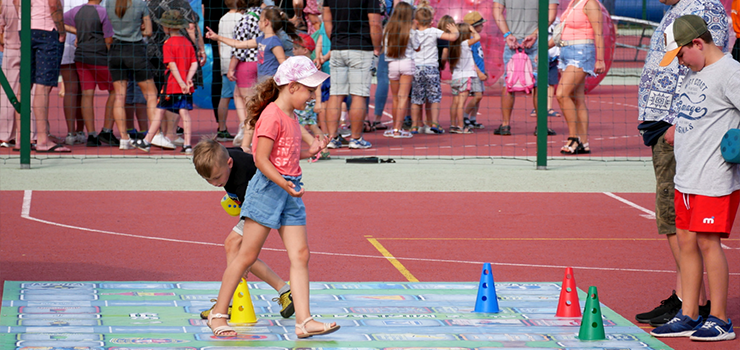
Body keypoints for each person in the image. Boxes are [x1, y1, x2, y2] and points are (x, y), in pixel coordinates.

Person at [204, 56, 338, 338]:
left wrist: (311, 152)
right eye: (309, 90)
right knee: (245, 256)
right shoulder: (271, 115)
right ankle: (218, 314)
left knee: (301, 254)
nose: (312, 96)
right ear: (291, 86)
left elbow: (286, 155)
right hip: (268, 190)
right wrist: (284, 184)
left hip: (289, 190)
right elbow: (261, 159)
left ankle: (304, 321)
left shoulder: (291, 117)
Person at [634, 0, 727, 328]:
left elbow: (710, 71)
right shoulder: (678, 10)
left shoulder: (704, 9)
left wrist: (683, 121)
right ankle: (686, 300)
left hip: (681, 129)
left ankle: (699, 305)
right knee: (674, 222)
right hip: (667, 123)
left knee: (690, 229)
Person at [649, 14, 740, 342]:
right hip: (686, 175)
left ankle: (719, 319)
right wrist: (678, 129)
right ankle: (689, 313)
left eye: (682, 55)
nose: (681, 63)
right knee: (686, 241)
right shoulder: (695, 70)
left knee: (707, 242)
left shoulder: (730, 73)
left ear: (698, 43)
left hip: (713, 176)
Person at [192, 138, 295, 320]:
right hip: (257, 199)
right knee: (238, 253)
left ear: (229, 163)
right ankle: (285, 291)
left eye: (216, 178)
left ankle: (228, 304)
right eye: (207, 179)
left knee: (233, 245)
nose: (214, 183)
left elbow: (251, 209)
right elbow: (240, 149)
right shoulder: (223, 157)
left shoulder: (241, 182)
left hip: (266, 201)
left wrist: (244, 254)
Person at [492, 0, 558, 136]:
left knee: (508, 82)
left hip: (513, 40)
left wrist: (507, 35)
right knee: (539, 84)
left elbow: (496, 11)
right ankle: (541, 126)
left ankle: (505, 124)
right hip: (537, 40)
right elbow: (551, 15)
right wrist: (535, 33)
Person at [323, 0, 383, 149]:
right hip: (361, 47)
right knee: (358, 94)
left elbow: (327, 20)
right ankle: (356, 138)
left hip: (338, 46)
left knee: (336, 94)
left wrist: (336, 41)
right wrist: (377, 49)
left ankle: (332, 137)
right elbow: (375, 23)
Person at [137, 10, 197, 154]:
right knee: (185, 114)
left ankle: (147, 141)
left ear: (168, 27)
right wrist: (188, 79)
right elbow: (194, 63)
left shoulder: (168, 43)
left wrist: (181, 82)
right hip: (185, 87)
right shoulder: (187, 42)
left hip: (171, 86)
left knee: (159, 112)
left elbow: (172, 65)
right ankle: (187, 145)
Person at [63, 0, 119, 147]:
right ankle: (107, 130)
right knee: (116, 90)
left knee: (87, 94)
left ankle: (92, 135)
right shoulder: (102, 12)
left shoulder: (76, 10)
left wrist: (78, 32)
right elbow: (108, 39)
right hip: (99, 56)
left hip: (81, 56)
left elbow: (60, 21)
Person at [552, 0, 604, 153]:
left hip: (581, 52)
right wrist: (542, 47)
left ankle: (573, 137)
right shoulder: (572, 3)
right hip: (565, 51)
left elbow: (599, 32)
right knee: (577, 98)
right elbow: (562, 33)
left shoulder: (590, 3)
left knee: (562, 94)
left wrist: (600, 59)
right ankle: (584, 142)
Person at [106, 0, 159, 150]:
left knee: (119, 96)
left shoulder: (108, 3)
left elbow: (107, 29)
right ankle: (154, 135)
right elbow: (149, 32)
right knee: (151, 94)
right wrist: (138, 29)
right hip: (135, 49)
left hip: (115, 50)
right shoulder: (140, 4)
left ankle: (124, 139)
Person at [25, 0, 71, 152]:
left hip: (26, 28)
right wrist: (62, 30)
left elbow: (16, 2)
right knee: (43, 86)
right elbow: (53, 4)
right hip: (46, 30)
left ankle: (22, 139)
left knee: (25, 83)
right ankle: (43, 139)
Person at [409, 7, 457, 135]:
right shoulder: (434, 31)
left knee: (416, 98)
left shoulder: (413, 33)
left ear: (416, 21)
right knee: (434, 97)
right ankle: (434, 123)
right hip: (431, 68)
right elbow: (452, 37)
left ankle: (414, 125)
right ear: (431, 21)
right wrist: (455, 31)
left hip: (417, 68)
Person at [0, 0, 37, 148]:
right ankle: (31, 135)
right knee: (33, 92)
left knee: (7, 93)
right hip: (31, 46)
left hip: (11, 49)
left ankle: (4, 135)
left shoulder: (4, 2)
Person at [381, 1, 417, 139]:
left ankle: (394, 128)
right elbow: (417, 47)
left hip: (392, 64)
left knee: (395, 98)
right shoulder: (410, 30)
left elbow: (385, 47)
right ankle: (398, 129)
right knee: (403, 98)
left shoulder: (388, 29)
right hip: (407, 63)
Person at [214, 0, 244, 141]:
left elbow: (220, 42)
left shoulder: (223, 18)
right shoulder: (241, 18)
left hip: (225, 60)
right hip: (237, 61)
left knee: (225, 96)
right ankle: (243, 128)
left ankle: (222, 128)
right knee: (242, 97)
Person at [60, 0, 86, 146]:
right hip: (85, 44)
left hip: (67, 42)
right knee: (81, 89)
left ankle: (72, 133)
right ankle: (79, 131)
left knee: (72, 89)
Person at [448, 22, 479, 134]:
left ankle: (453, 125)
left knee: (455, 103)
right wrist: (473, 30)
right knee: (461, 103)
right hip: (465, 77)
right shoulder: (465, 43)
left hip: (456, 77)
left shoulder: (453, 45)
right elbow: (477, 37)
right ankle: (461, 126)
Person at [462, 11, 486, 130]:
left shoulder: (475, 39)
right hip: (474, 72)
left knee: (479, 96)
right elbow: (471, 58)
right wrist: (479, 72)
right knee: (478, 95)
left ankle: (473, 118)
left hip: (479, 70)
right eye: (481, 24)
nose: (483, 26)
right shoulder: (471, 39)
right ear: (474, 26)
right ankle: (465, 116)